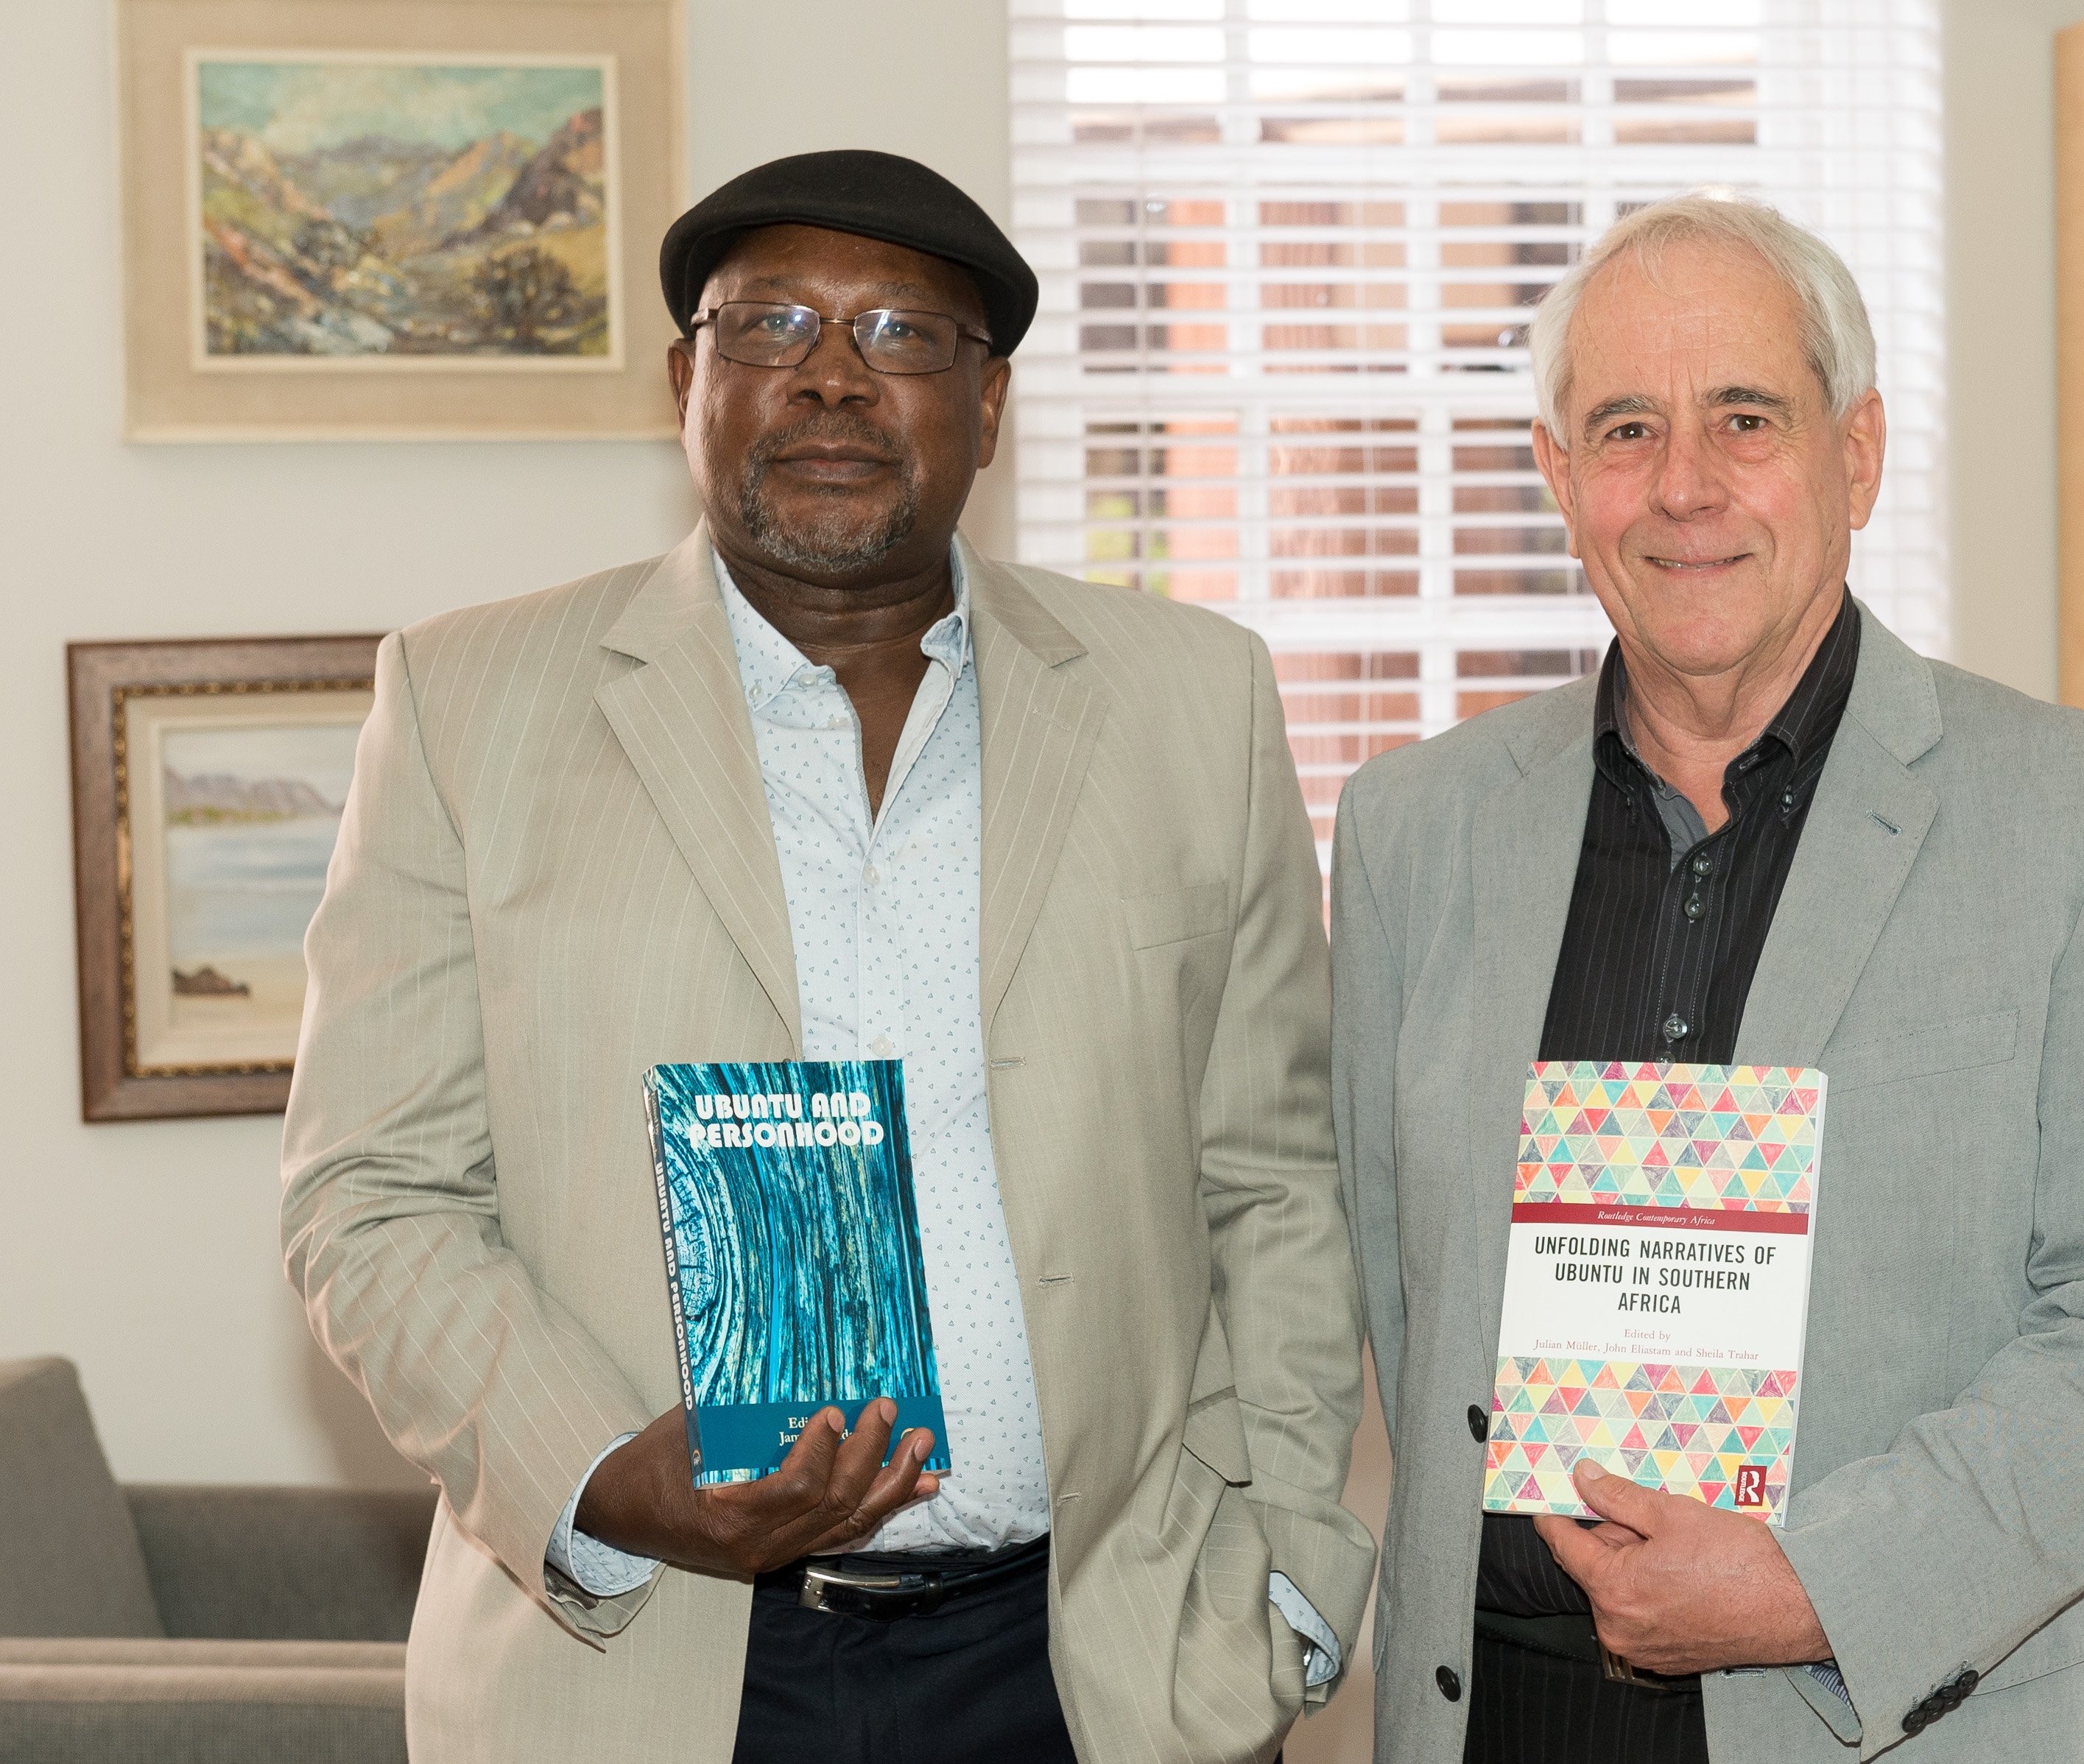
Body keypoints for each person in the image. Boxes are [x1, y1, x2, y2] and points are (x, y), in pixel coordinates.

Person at [282, 149, 1373, 1764]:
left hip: (1100, 1669)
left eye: (904, 337)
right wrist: (601, 1470)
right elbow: (368, 1194)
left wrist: (1291, 1571)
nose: (831, 378)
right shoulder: (467, 704)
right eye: (771, 323)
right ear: (687, 379)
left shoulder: (1189, 703)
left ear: (991, 402)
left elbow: (1275, 1177)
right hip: (652, 1670)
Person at [1331, 191, 2084, 1762]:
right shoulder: (1411, 833)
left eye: (1744, 417)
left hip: (1892, 1715)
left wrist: (1811, 1584)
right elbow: (1392, 1282)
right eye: (1625, 427)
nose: (1684, 487)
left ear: (1857, 453)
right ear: (1561, 479)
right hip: (1500, 1712)